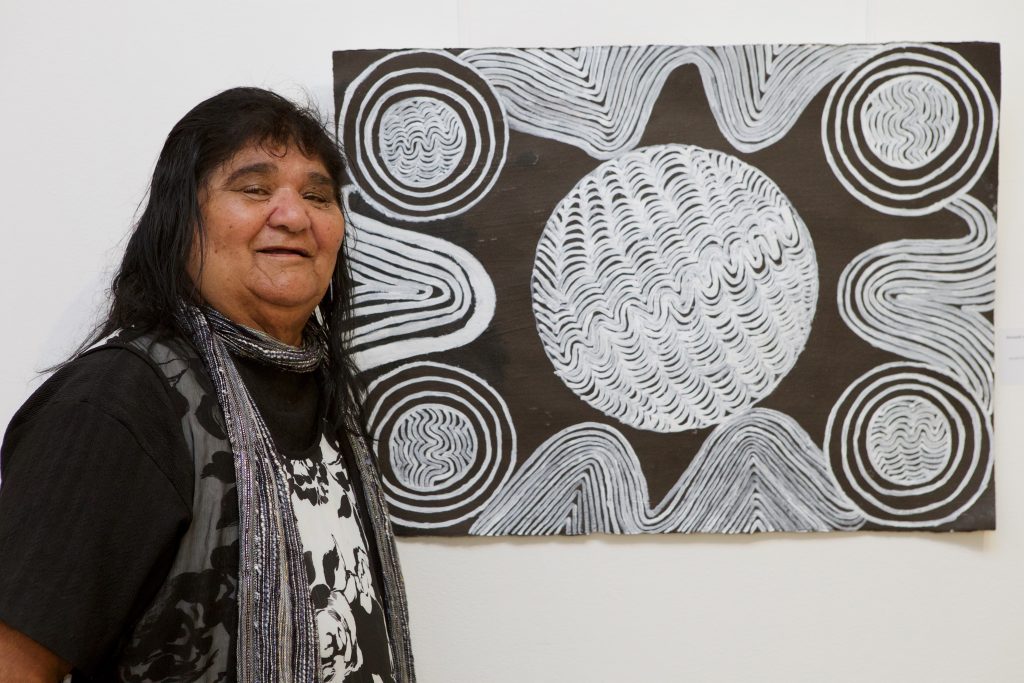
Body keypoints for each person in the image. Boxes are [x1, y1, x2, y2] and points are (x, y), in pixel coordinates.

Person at [0, 87, 415, 683]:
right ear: (180, 219)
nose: (294, 215)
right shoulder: (117, 406)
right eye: (254, 188)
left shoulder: (328, 406)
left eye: (318, 195)